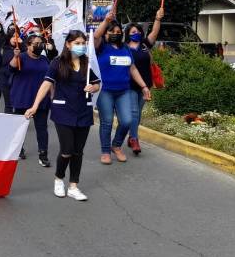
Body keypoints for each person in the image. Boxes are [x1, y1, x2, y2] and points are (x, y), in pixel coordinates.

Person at [25, 30, 101, 201]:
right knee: (67, 150)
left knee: (78, 152)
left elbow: (97, 83)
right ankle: (59, 179)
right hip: (63, 112)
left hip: (83, 112)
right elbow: (46, 84)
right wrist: (35, 105)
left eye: (83, 43)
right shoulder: (57, 63)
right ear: (68, 44)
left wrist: (93, 88)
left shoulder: (86, 63)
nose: (81, 46)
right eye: (77, 43)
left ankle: (74, 186)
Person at [93, 12, 152, 165]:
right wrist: (106, 21)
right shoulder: (101, 47)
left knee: (127, 121)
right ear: (106, 33)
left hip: (123, 91)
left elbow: (132, 69)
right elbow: (96, 36)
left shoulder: (125, 48)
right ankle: (105, 151)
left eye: (118, 32)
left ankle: (116, 145)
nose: (115, 34)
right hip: (105, 91)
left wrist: (144, 86)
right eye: (112, 31)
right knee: (106, 122)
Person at [125, 8, 164, 155]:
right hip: (130, 85)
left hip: (145, 85)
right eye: (133, 32)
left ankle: (131, 136)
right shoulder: (124, 48)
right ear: (127, 34)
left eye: (138, 31)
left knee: (138, 113)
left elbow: (154, 32)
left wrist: (158, 19)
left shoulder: (144, 45)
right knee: (134, 112)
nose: (137, 34)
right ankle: (134, 139)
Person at [10, 33, 50, 165]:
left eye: (41, 44)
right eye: (36, 44)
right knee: (19, 126)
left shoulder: (44, 59)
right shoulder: (21, 57)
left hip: (41, 100)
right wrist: (15, 56)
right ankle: (18, 149)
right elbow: (12, 68)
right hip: (22, 97)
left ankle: (43, 154)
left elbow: (50, 79)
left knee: (42, 128)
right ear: (28, 46)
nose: (39, 46)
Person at [0, 32, 19, 114]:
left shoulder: (23, 49)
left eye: (17, 37)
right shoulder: (2, 50)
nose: (16, 38)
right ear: (9, 38)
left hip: (19, 80)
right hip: (5, 80)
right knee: (9, 104)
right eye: (13, 36)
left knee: (19, 104)